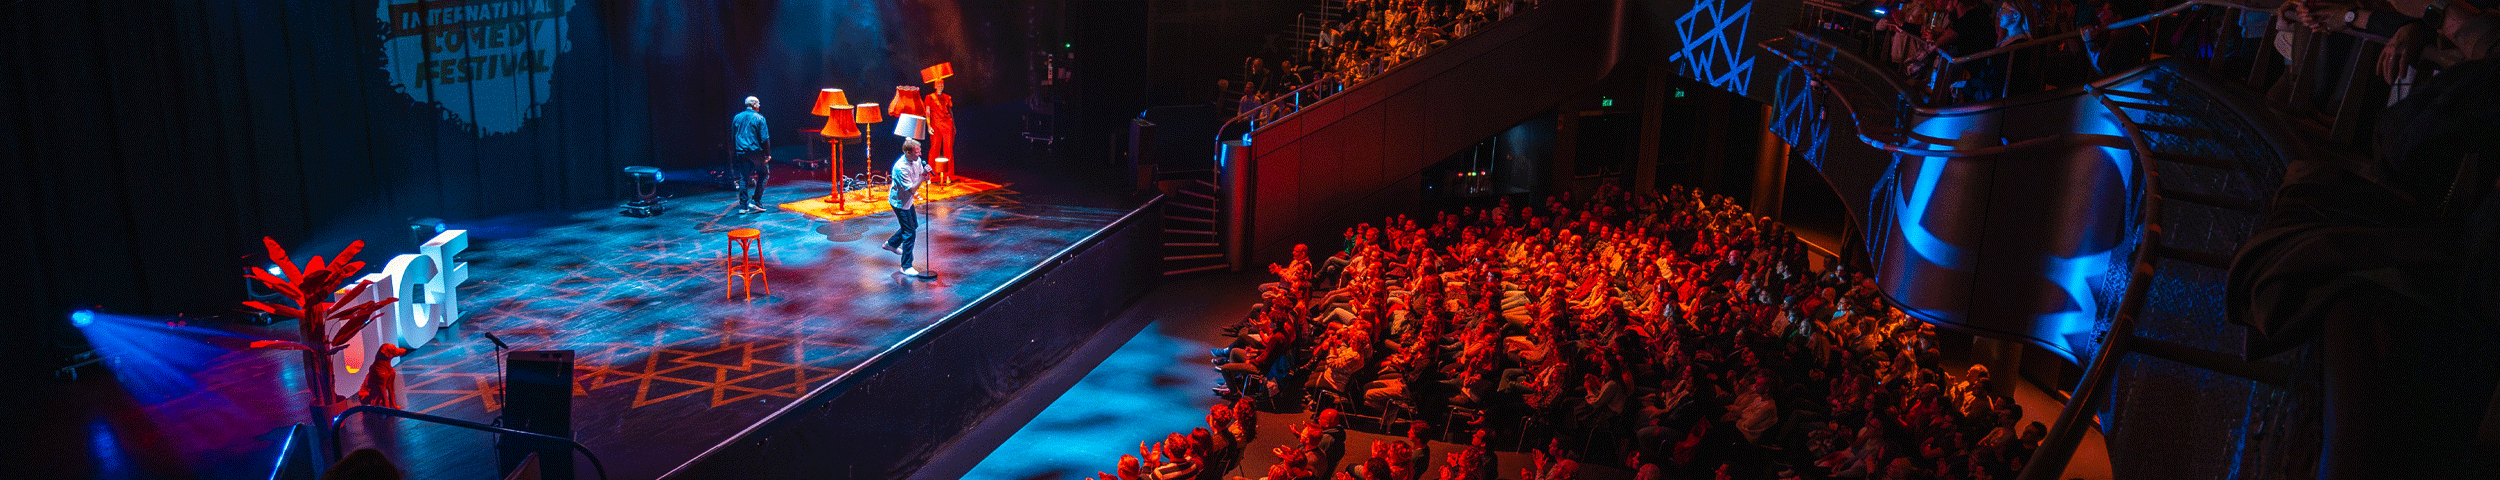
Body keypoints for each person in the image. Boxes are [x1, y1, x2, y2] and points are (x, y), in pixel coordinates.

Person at [884, 138, 936, 278]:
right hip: (900, 202)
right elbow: (912, 189)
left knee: (913, 225)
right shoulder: (901, 167)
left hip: (908, 200)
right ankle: (905, 266)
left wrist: (925, 174)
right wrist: (922, 178)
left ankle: (891, 244)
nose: (920, 154)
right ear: (908, 152)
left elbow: (919, 176)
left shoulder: (916, 160)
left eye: (920, 151)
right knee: (909, 232)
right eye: (916, 152)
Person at [730, 95, 773, 214]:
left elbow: (733, 136)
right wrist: (768, 154)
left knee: (743, 177)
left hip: (741, 151)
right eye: (758, 104)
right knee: (764, 173)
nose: (759, 106)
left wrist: (734, 151)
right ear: (754, 105)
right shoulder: (759, 118)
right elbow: (765, 138)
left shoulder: (737, 117)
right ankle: (756, 201)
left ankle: (743, 206)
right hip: (755, 151)